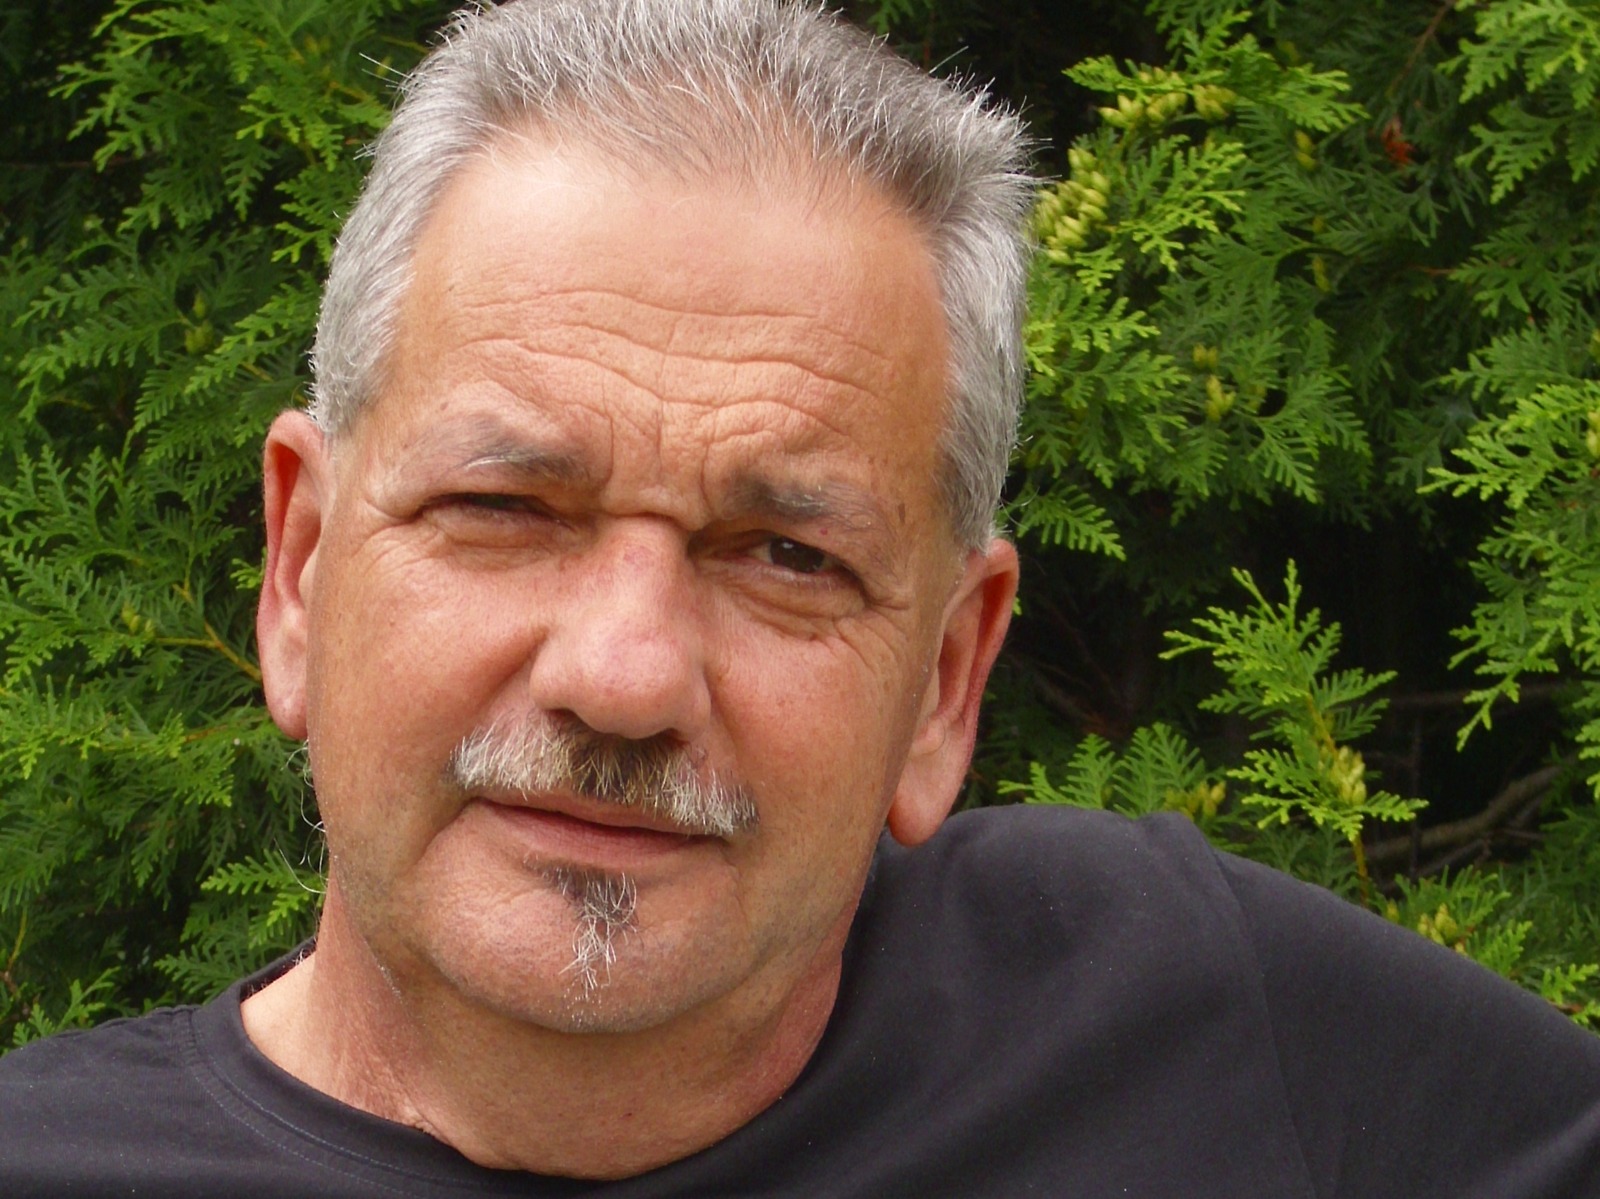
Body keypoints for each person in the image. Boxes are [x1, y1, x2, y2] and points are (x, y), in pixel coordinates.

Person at [3, 1, 1599, 1195]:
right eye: (505, 509)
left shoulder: (1199, 1019)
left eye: (786, 557)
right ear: (300, 571)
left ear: (947, 680)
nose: (625, 675)